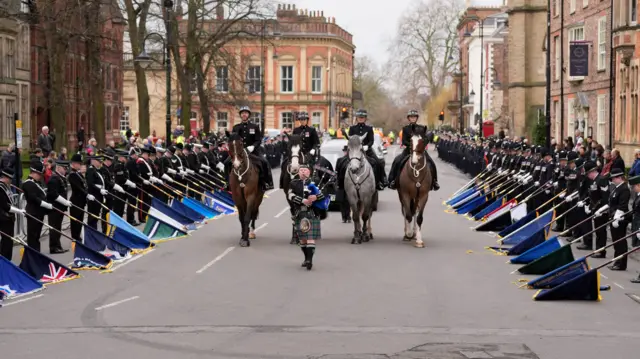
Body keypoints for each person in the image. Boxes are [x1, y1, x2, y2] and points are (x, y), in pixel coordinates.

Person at [287, 164, 327, 270]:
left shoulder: (316, 182)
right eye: (301, 170)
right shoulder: (293, 183)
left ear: (309, 172)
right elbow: (290, 195)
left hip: (312, 213)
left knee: (310, 239)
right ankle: (306, 258)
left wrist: (316, 197)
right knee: (302, 241)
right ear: (298, 172)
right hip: (300, 213)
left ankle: (309, 260)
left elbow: (325, 194)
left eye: (305, 170)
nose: (303, 172)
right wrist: (302, 200)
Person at [388, 109, 439, 191]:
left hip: (420, 150)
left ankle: (434, 181)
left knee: (431, 162)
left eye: (414, 117)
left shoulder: (422, 128)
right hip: (409, 150)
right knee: (397, 161)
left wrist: (421, 145)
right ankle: (393, 180)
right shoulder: (405, 129)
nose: (413, 118)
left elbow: (425, 139)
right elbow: (404, 141)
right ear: (409, 118)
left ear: (416, 118)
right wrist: (412, 146)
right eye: (411, 117)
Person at [228, 106, 274, 190]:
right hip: (239, 152)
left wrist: (253, 146)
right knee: (226, 162)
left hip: (253, 151)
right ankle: (228, 183)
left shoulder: (254, 126)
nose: (244, 115)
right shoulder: (236, 127)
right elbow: (233, 139)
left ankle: (267, 182)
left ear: (248, 115)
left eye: (246, 113)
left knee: (264, 162)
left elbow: (258, 139)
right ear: (240, 115)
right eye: (242, 113)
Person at [344, 109, 388, 191]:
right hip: (355, 151)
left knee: (378, 163)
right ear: (356, 118)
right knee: (342, 163)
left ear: (365, 118)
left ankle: (381, 181)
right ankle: (341, 183)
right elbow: (350, 140)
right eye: (359, 117)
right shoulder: (352, 128)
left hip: (367, 151)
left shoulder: (369, 128)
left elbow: (371, 140)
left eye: (362, 117)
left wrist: (367, 146)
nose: (361, 119)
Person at [22, 159, 53, 252]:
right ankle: (33, 256)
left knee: (37, 237)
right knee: (33, 237)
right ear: (34, 173)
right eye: (39, 175)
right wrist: (46, 205)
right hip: (33, 213)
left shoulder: (36, 183)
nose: (40, 177)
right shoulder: (28, 183)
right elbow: (34, 198)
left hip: (39, 213)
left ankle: (36, 254)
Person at [46, 160, 71, 254]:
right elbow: (53, 194)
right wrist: (65, 202)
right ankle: (53, 247)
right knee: (54, 228)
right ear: (58, 167)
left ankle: (58, 245)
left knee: (58, 228)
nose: (65, 170)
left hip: (59, 207)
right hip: (54, 208)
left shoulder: (60, 177)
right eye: (64, 168)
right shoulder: (54, 178)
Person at [608, 168, 631, 271]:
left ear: (619, 178)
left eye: (613, 178)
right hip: (614, 217)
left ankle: (621, 264)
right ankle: (617, 261)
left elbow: (622, 205)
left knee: (620, 241)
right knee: (616, 241)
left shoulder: (624, 189)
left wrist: (617, 217)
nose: (612, 180)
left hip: (620, 219)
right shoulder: (617, 187)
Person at [68, 154, 92, 242]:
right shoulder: (72, 174)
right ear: (74, 163)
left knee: (80, 219)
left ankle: (77, 235)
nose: (80, 165)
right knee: (75, 219)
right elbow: (78, 187)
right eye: (79, 163)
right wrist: (86, 194)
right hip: (76, 200)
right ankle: (75, 236)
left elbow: (84, 185)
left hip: (81, 200)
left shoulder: (77, 173)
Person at [0, 168, 23, 260]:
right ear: (6, 177)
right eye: (9, 179)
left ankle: (7, 260)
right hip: (3, 217)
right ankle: (5, 261)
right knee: (6, 242)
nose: (10, 181)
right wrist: (19, 211)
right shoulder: (1, 188)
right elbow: (5, 206)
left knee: (9, 241)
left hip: (8, 218)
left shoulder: (5, 186)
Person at [85, 155, 107, 230]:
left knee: (96, 216)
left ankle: (94, 231)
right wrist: (100, 189)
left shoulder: (97, 170)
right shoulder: (90, 170)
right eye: (99, 162)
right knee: (92, 217)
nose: (100, 163)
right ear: (93, 161)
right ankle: (91, 232)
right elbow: (90, 184)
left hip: (98, 196)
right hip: (93, 196)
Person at [335, 145, 351, 223]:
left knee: (347, 200)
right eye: (344, 151)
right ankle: (343, 217)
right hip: (341, 183)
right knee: (341, 201)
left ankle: (348, 216)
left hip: (349, 183)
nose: (345, 152)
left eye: (346, 151)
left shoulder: (352, 161)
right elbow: (336, 172)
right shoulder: (340, 160)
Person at [126, 147, 142, 225]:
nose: (138, 156)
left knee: (133, 203)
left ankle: (131, 219)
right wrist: (140, 180)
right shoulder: (131, 162)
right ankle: (130, 220)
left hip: (134, 184)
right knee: (131, 203)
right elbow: (134, 174)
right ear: (134, 154)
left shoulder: (133, 161)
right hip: (132, 185)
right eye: (137, 155)